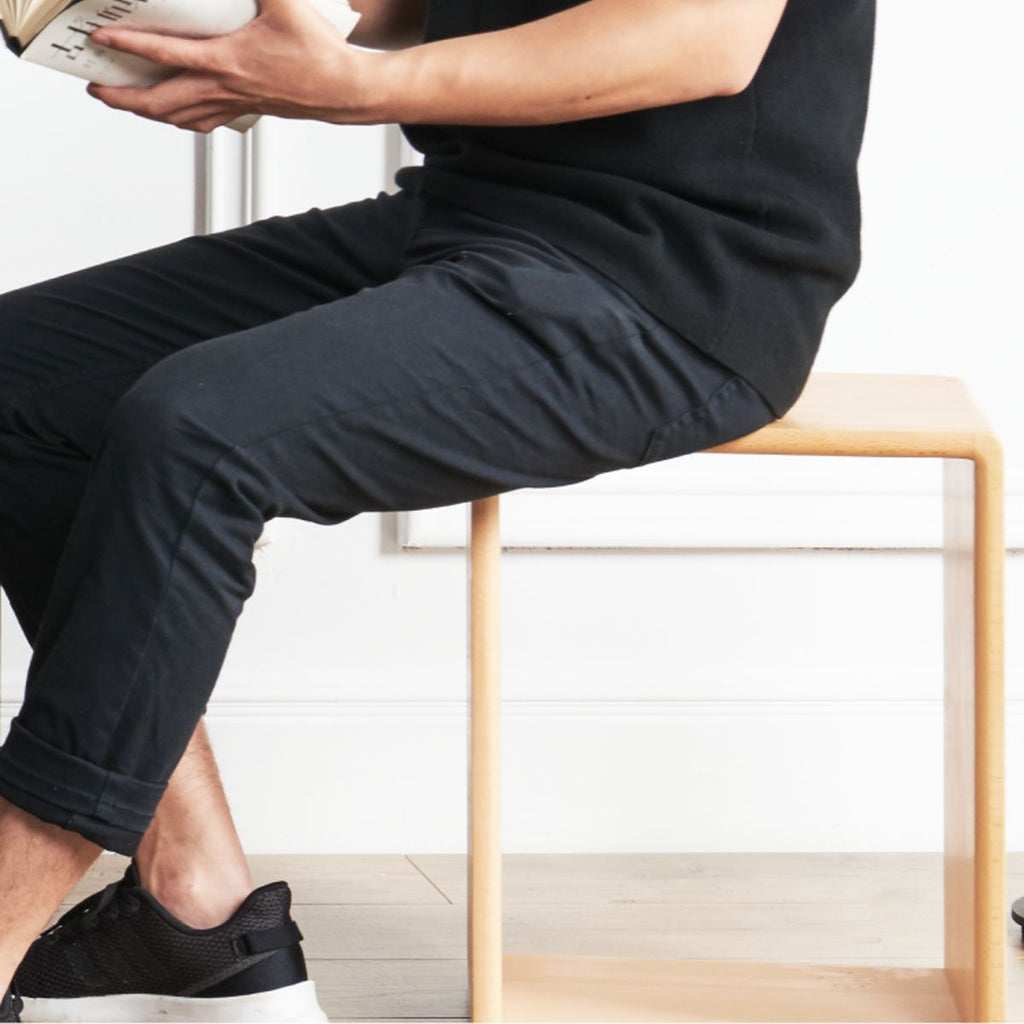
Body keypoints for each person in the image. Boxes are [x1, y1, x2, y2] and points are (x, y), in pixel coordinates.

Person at [0, 0, 875, 1019]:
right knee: (20, 385)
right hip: (475, 217)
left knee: (198, 434)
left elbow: (700, 41)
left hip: (672, 278)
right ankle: (195, 912)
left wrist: (346, 83)